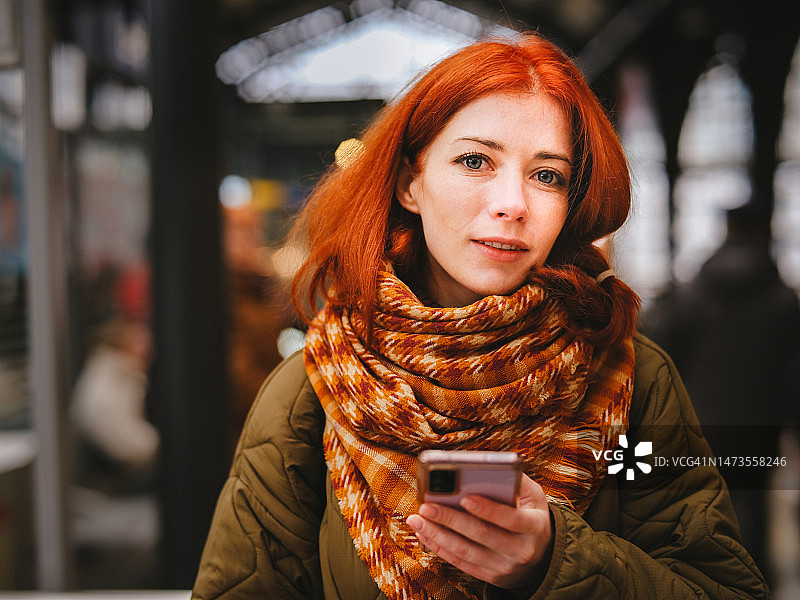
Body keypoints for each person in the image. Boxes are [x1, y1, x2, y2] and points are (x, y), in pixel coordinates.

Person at [192, 33, 768, 599]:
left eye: (548, 175)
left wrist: (556, 561)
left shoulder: (632, 376)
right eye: (475, 161)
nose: (513, 204)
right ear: (409, 184)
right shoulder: (314, 388)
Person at [641, 201, 800, 582]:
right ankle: (756, 579)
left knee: (705, 506)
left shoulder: (693, 293)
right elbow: (793, 372)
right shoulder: (783, 301)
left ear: (726, 231)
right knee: (753, 503)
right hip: (760, 425)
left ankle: (708, 580)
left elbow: (661, 354)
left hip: (702, 421)